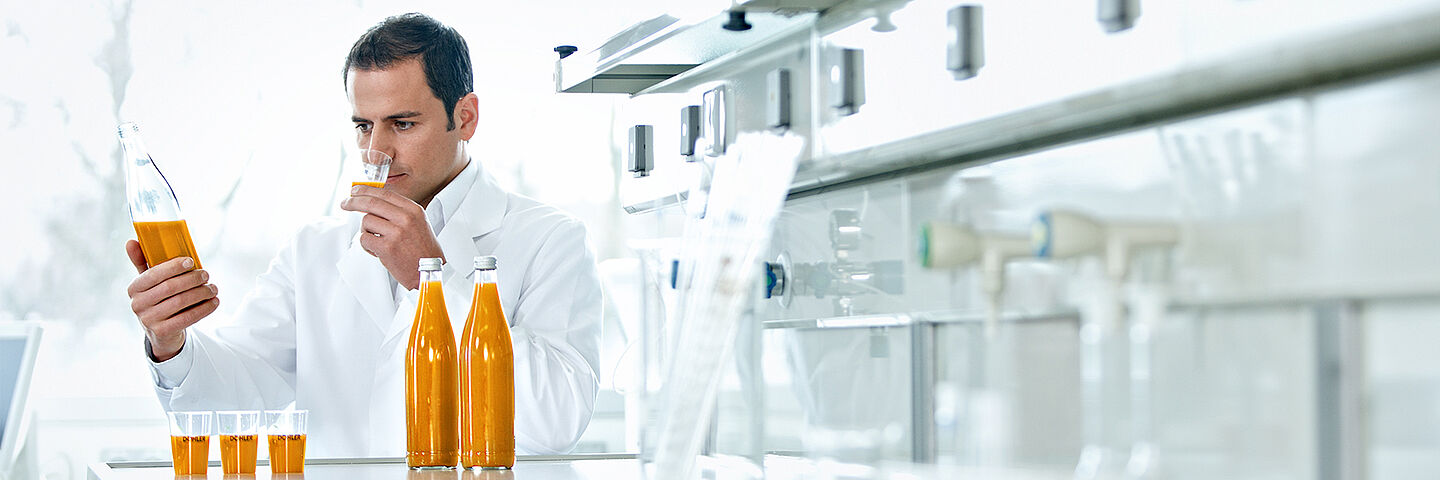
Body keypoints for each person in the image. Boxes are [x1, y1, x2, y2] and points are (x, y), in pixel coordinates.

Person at [122, 13, 602, 457]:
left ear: (466, 117)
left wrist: (431, 281)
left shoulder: (549, 240)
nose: (377, 150)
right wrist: (172, 344)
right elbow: (232, 404)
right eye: (363, 126)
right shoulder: (314, 250)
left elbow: (556, 419)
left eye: (403, 123)